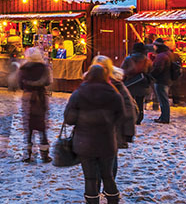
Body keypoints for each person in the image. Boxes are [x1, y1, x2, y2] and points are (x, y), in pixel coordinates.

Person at [64, 64, 125, 204]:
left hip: (85, 143)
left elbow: (69, 119)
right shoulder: (114, 94)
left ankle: (92, 201)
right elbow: (121, 117)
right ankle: (113, 200)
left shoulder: (78, 94)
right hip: (107, 142)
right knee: (108, 175)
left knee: (90, 178)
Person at [93, 55, 136, 178]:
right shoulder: (89, 84)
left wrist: (127, 132)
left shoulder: (116, 85)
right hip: (93, 129)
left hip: (111, 129)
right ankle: (96, 189)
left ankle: (109, 186)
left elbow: (128, 108)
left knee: (110, 159)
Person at [14, 47, 52, 163]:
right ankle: (45, 155)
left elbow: (20, 84)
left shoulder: (23, 68)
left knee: (28, 127)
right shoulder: (44, 68)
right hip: (40, 98)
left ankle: (27, 154)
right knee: (42, 127)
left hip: (28, 98)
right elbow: (48, 81)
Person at [121, 42, 152, 124]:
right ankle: (139, 118)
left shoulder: (128, 59)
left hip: (130, 83)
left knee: (130, 102)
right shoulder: (147, 60)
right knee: (140, 102)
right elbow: (150, 72)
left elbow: (122, 71)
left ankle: (131, 117)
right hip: (142, 83)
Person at [150, 38, 174, 124]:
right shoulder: (168, 53)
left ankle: (164, 118)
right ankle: (163, 116)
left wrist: (151, 75)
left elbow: (158, 69)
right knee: (164, 99)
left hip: (161, 80)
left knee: (163, 99)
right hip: (167, 79)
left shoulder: (161, 56)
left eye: (154, 45)